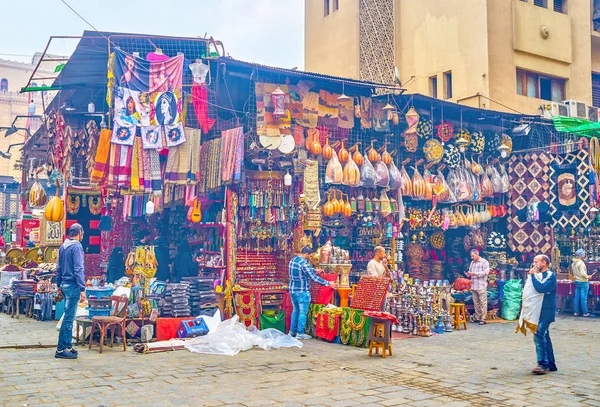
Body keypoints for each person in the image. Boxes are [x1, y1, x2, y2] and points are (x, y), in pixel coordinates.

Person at [288, 246, 337, 340]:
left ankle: (292, 331)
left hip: (293, 290)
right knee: (302, 312)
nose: (309, 258)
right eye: (309, 256)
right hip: (302, 292)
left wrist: (314, 270)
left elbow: (304, 270)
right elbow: (314, 278)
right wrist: (328, 283)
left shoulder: (293, 260)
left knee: (295, 311)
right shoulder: (304, 263)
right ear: (306, 254)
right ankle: (300, 333)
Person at [55, 224, 86, 359]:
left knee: (68, 316)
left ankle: (67, 345)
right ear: (79, 232)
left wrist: (58, 285)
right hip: (73, 286)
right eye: (82, 232)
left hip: (64, 284)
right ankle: (61, 349)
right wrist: (82, 288)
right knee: (68, 318)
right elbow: (78, 268)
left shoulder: (63, 246)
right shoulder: (76, 246)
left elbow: (59, 268)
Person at [529, 254, 558, 375]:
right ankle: (551, 363)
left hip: (547, 310)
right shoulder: (540, 275)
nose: (535, 264)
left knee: (539, 334)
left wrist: (533, 276)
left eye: (537, 262)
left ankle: (542, 363)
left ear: (544, 263)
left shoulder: (550, 275)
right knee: (545, 336)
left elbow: (541, 288)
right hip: (539, 310)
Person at [466, 249, 490, 325]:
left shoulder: (484, 262)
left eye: (473, 256)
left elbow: (486, 272)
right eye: (471, 256)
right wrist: (469, 274)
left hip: (481, 285)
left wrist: (475, 274)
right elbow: (470, 271)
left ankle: (483, 318)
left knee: (483, 302)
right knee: (476, 303)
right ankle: (477, 317)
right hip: (474, 285)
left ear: (477, 254)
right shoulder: (472, 263)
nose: (472, 258)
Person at [571, 249, 596, 317]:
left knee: (576, 297)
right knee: (583, 298)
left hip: (577, 281)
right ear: (582, 255)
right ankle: (585, 312)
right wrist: (587, 276)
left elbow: (573, 272)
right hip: (583, 281)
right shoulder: (581, 263)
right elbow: (582, 273)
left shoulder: (573, 263)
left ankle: (576, 312)